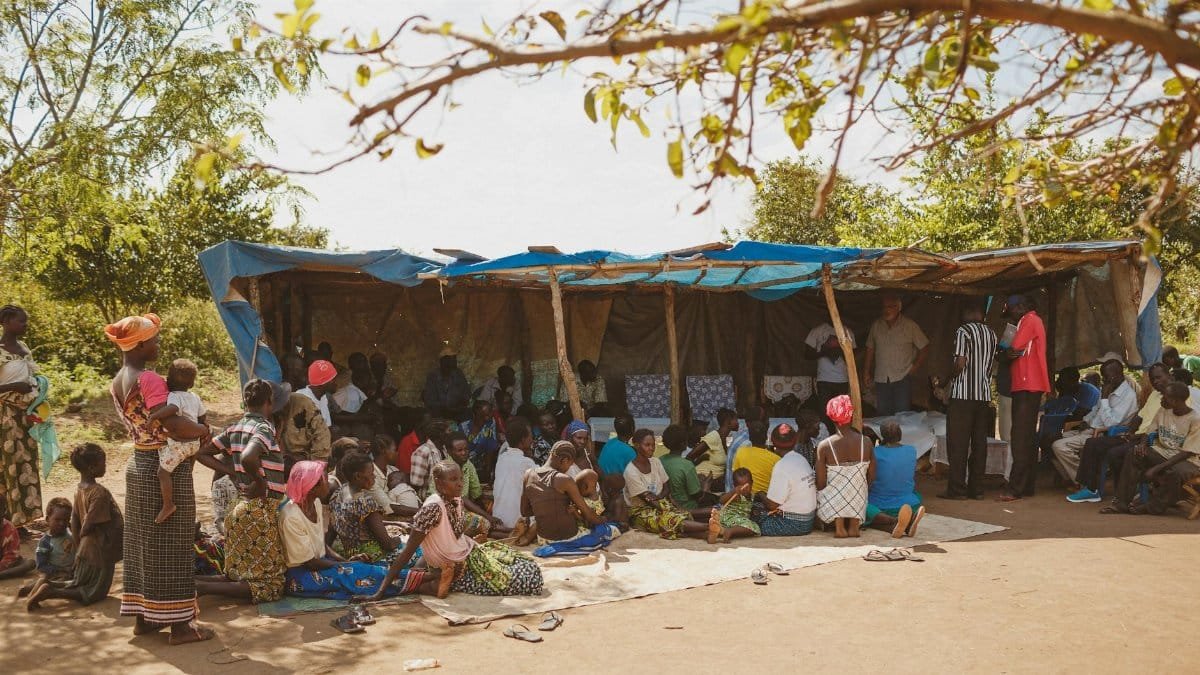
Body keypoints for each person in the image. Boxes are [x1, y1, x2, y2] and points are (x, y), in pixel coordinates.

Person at [105, 313, 218, 644]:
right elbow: (173, 427)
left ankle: (145, 619)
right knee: (173, 547)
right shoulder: (149, 378)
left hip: (139, 464)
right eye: (153, 340)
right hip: (165, 464)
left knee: (143, 547)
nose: (157, 344)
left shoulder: (118, 380)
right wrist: (204, 430)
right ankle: (181, 627)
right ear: (140, 345)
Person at [361, 460, 543, 599]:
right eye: (454, 479)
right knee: (527, 578)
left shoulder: (456, 500)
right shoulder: (432, 509)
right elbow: (408, 551)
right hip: (460, 563)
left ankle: (437, 580)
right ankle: (435, 581)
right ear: (438, 483)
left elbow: (451, 537)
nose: (460, 484)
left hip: (466, 555)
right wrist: (380, 591)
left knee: (527, 565)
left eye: (461, 479)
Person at [280, 460, 440, 600]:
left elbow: (322, 544)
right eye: (323, 479)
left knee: (357, 573)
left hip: (320, 564)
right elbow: (310, 562)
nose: (328, 482)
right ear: (312, 487)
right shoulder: (292, 516)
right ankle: (426, 581)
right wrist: (345, 564)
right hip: (302, 575)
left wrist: (345, 561)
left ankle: (423, 582)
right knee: (358, 574)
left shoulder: (316, 503)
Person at [196, 379, 291, 605]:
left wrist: (231, 470)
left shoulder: (235, 427)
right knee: (270, 585)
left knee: (239, 573)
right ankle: (198, 586)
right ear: (270, 402)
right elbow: (249, 456)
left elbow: (202, 453)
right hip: (260, 510)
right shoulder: (264, 428)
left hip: (239, 510)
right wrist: (259, 481)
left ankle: (191, 583)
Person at [25, 444, 123, 610]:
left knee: (80, 581)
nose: (105, 466)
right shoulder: (99, 493)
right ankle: (51, 591)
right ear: (92, 468)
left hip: (86, 547)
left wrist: (79, 547)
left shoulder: (80, 490)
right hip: (99, 549)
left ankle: (47, 583)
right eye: (103, 463)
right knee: (94, 591)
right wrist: (85, 542)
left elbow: (75, 520)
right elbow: (87, 524)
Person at [1072, 363, 1173, 503]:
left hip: (1151, 439)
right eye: (1152, 379)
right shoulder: (1155, 394)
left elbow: (1166, 427)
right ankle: (1091, 489)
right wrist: (1131, 431)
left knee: (1115, 453)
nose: (1155, 382)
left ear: (1169, 375)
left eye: (1158, 377)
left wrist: (1137, 436)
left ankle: (1125, 492)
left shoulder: (1175, 396)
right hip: (1135, 435)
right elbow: (1140, 415)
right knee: (1093, 443)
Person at [1101, 382, 1200, 515]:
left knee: (1174, 474)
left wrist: (1156, 468)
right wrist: (1142, 445)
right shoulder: (1163, 410)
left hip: (1186, 460)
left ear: (1176, 401)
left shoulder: (1195, 419)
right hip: (1162, 452)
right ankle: (1121, 504)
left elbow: (1187, 452)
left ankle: (1152, 507)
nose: (1161, 399)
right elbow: (1149, 431)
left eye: (1165, 397)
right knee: (1133, 453)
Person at [1053, 359, 1139, 499]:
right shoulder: (1109, 388)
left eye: (1106, 377)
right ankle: (1078, 479)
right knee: (1049, 440)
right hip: (1089, 429)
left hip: (1103, 434)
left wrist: (1105, 398)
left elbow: (1111, 422)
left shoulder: (1128, 396)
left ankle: (1085, 482)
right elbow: (1095, 410)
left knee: (1059, 446)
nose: (1104, 380)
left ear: (1117, 375)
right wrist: (1085, 421)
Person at [942, 305, 998, 500]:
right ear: (982, 315)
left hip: (962, 395)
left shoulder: (963, 331)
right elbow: (990, 366)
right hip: (983, 395)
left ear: (966, 314)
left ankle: (957, 490)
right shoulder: (992, 334)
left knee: (958, 444)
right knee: (979, 444)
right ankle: (977, 490)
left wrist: (947, 380)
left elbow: (960, 362)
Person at [999, 295, 1051, 502]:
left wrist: (1001, 353)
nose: (1010, 316)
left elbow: (1013, 349)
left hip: (1027, 384)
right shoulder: (1032, 320)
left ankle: (1015, 488)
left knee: (1020, 437)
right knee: (1027, 437)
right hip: (1030, 385)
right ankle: (1027, 485)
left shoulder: (1029, 321)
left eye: (1010, 311)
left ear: (1019, 307)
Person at [146, 359, 208, 524]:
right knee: (186, 457)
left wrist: (155, 416)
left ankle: (168, 504)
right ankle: (190, 465)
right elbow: (203, 416)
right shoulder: (195, 397)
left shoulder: (173, 396)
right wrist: (202, 429)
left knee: (162, 472)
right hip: (195, 444)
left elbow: (173, 409)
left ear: (168, 381)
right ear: (192, 383)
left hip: (182, 444)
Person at [623, 429, 715, 540]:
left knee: (681, 515)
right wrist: (667, 507)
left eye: (653, 445)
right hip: (640, 511)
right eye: (647, 445)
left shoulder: (655, 462)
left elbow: (666, 487)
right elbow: (646, 498)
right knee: (672, 518)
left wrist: (660, 499)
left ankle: (706, 534)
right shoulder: (630, 471)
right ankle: (709, 527)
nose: (651, 448)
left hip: (660, 502)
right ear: (637, 445)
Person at [0, 304, 43, 531]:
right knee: (8, 466)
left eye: (25, 321)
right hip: (5, 417)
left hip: (25, 415)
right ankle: (8, 522)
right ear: (6, 322)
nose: (25, 325)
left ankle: (24, 518)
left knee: (25, 463)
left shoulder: (23, 347)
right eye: (21, 321)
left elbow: (32, 375)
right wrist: (15, 385)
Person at [518, 441, 608, 544]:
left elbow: (524, 512)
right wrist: (604, 519)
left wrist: (545, 509)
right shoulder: (565, 480)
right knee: (609, 531)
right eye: (569, 465)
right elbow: (588, 515)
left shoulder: (528, 474)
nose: (568, 469)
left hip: (543, 538)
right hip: (567, 537)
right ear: (564, 460)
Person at [816, 395, 874, 538]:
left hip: (834, 502)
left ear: (831, 417)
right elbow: (872, 476)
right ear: (851, 415)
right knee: (855, 486)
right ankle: (854, 526)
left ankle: (839, 527)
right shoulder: (866, 442)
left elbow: (821, 483)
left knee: (834, 489)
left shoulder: (824, 446)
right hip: (858, 499)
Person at [864, 294, 930, 416]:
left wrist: (915, 367)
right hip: (881, 378)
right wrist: (866, 371)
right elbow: (870, 349)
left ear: (899, 308)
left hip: (902, 377)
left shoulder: (910, 326)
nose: (886, 310)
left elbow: (924, 347)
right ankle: (885, 436)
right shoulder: (876, 326)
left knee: (903, 415)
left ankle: (901, 435)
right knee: (883, 415)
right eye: (884, 307)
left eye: (891, 307)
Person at [331, 450, 400, 561]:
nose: (374, 477)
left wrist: (396, 523)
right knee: (417, 551)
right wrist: (399, 539)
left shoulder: (337, 494)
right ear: (358, 476)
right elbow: (389, 545)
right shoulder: (365, 504)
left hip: (347, 552)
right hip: (369, 556)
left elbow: (355, 523)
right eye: (371, 473)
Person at [755, 423, 819, 537]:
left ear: (773, 443)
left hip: (794, 524)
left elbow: (772, 505)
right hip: (809, 520)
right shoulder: (800, 459)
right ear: (795, 441)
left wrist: (760, 494)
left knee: (755, 515)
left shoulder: (782, 466)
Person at [865, 422, 926, 537]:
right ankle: (907, 522)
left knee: (862, 506)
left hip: (882, 507)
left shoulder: (875, 452)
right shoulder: (911, 450)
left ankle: (893, 522)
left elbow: (869, 478)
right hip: (911, 504)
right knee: (916, 494)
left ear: (882, 435)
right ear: (900, 435)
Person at [446, 431, 508, 538]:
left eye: (466, 449)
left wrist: (486, 511)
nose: (464, 453)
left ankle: (511, 533)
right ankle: (512, 532)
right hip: (449, 514)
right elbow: (461, 498)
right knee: (483, 523)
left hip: (464, 511)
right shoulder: (447, 468)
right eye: (459, 450)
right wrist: (488, 516)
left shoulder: (468, 465)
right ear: (450, 452)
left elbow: (476, 493)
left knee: (485, 524)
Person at [805, 321, 856, 431]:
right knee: (824, 412)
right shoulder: (818, 330)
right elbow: (807, 354)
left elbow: (854, 356)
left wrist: (840, 349)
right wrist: (824, 351)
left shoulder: (847, 332)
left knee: (843, 412)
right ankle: (825, 436)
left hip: (843, 379)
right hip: (824, 379)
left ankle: (841, 436)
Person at [20, 497, 74, 598]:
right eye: (57, 520)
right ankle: (33, 595)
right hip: (56, 573)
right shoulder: (45, 542)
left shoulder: (69, 531)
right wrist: (60, 569)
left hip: (70, 570)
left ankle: (32, 587)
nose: (62, 523)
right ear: (48, 519)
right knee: (63, 585)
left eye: (66, 520)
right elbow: (41, 566)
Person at [277, 371, 333, 468]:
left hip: (308, 455)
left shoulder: (302, 403)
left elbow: (322, 433)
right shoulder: (269, 416)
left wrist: (314, 462)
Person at [494, 418, 539, 529]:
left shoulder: (502, 458)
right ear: (523, 440)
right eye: (530, 436)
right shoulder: (526, 462)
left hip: (498, 517)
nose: (532, 439)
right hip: (517, 521)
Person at [660, 424, 711, 510]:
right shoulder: (687, 465)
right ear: (684, 443)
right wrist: (706, 486)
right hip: (687, 507)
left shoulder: (660, 460)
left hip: (666, 505)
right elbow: (696, 495)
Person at [366, 434, 418, 518]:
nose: (397, 453)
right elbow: (388, 506)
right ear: (384, 451)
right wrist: (421, 511)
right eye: (394, 450)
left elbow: (409, 493)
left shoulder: (393, 470)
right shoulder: (369, 475)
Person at [731, 421, 780, 502]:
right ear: (766, 437)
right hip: (766, 502)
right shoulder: (776, 459)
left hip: (745, 500)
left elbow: (735, 477)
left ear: (750, 437)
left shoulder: (741, 452)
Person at [725, 406, 768, 491]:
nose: (768, 422)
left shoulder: (741, 434)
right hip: (738, 495)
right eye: (765, 419)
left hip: (731, 490)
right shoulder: (748, 443)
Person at [711, 468, 760, 542]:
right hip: (729, 518)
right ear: (735, 485)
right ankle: (730, 531)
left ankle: (722, 531)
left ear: (752, 483)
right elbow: (721, 500)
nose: (744, 489)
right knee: (754, 527)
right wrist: (733, 492)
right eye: (740, 486)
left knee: (748, 526)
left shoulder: (753, 496)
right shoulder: (736, 495)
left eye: (746, 485)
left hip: (738, 521)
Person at [422, 347, 470, 420]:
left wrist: (459, 407)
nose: (455, 361)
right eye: (452, 358)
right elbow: (430, 401)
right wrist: (446, 409)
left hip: (457, 413)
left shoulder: (458, 374)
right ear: (443, 361)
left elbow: (466, 394)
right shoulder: (433, 376)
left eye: (455, 358)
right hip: (439, 414)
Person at [409, 419, 451, 501]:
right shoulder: (422, 452)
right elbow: (415, 483)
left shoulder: (443, 449)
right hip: (429, 499)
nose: (451, 434)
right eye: (448, 430)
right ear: (440, 434)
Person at [462, 399, 503, 483]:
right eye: (483, 416)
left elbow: (490, 449)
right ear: (475, 415)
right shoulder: (463, 427)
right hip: (464, 467)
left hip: (482, 468)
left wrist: (488, 472)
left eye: (489, 415)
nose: (487, 418)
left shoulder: (490, 425)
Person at [692, 408, 736, 485]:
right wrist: (698, 460)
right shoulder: (713, 437)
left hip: (714, 483)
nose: (738, 423)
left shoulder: (727, 439)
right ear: (728, 422)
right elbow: (690, 457)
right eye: (736, 420)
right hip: (701, 480)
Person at [297, 359, 338, 428]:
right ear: (322, 382)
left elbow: (327, 427)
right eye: (333, 379)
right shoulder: (301, 398)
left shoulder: (323, 397)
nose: (336, 383)